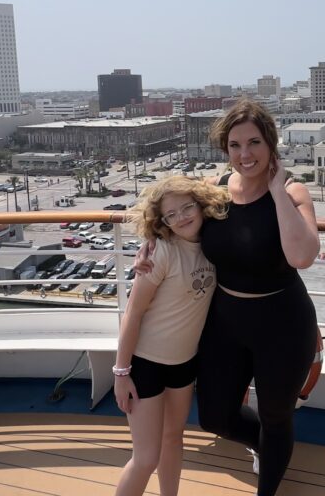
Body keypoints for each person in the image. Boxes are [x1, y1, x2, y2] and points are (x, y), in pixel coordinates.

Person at [135, 100, 320, 495]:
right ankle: (267, 448)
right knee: (215, 417)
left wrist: (276, 191)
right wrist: (151, 242)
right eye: (235, 145)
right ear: (225, 149)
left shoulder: (292, 191)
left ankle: (267, 482)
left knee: (276, 416)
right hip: (225, 322)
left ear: (271, 143)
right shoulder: (215, 192)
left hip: (283, 323)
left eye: (254, 142)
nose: (245, 154)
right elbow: (177, 217)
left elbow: (302, 256)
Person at [113, 175, 230, 496]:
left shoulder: (214, 247)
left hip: (184, 363)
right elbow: (133, 314)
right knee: (146, 457)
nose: (181, 218)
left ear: (201, 205)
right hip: (146, 364)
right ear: (161, 220)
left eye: (187, 207)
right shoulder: (161, 252)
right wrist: (121, 372)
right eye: (171, 214)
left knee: (173, 439)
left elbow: (227, 185)